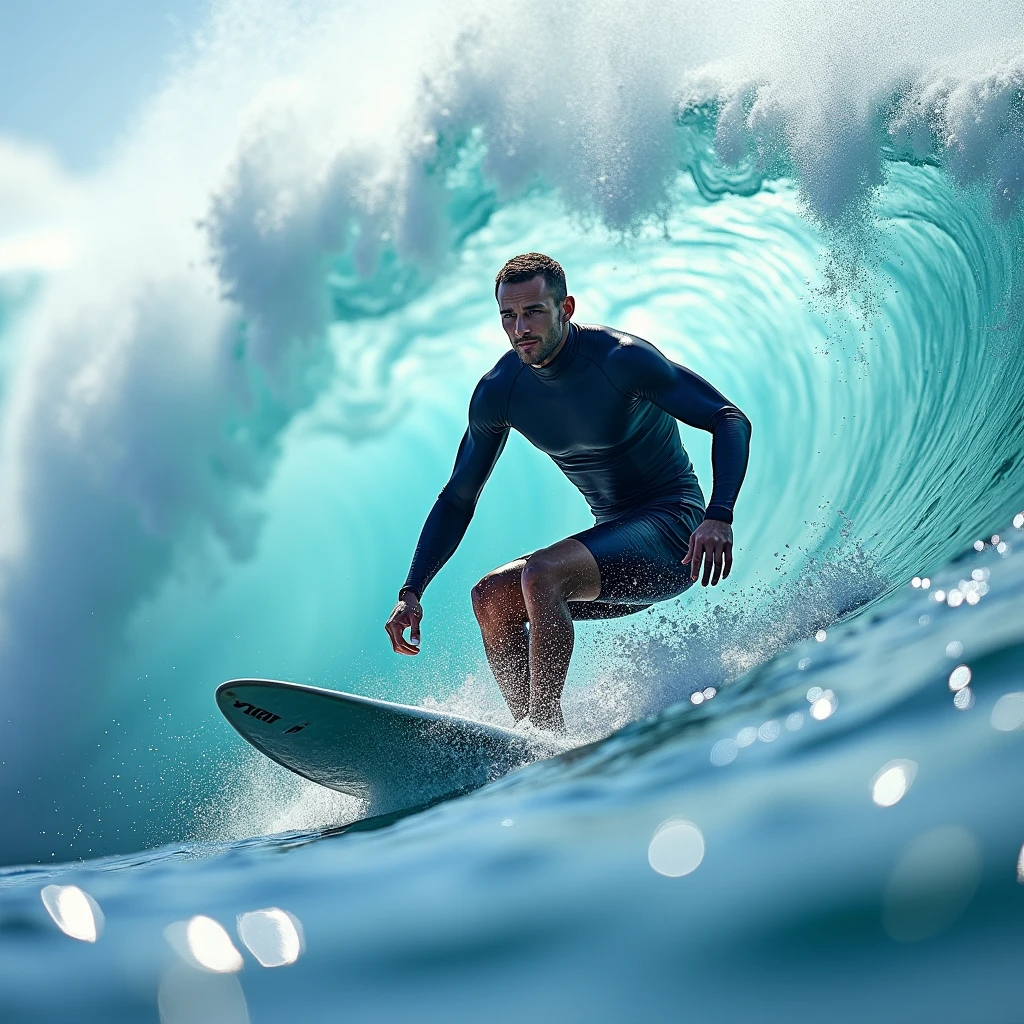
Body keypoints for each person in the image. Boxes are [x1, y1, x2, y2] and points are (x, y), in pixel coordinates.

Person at [385, 253, 751, 731]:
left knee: (541, 573)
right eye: (508, 317)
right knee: (491, 597)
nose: (520, 328)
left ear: (566, 308)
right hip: (615, 552)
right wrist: (412, 590)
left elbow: (728, 418)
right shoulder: (500, 391)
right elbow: (458, 497)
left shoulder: (621, 359)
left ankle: (544, 727)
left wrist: (718, 514)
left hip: (675, 533)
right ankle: (522, 739)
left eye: (533, 311)